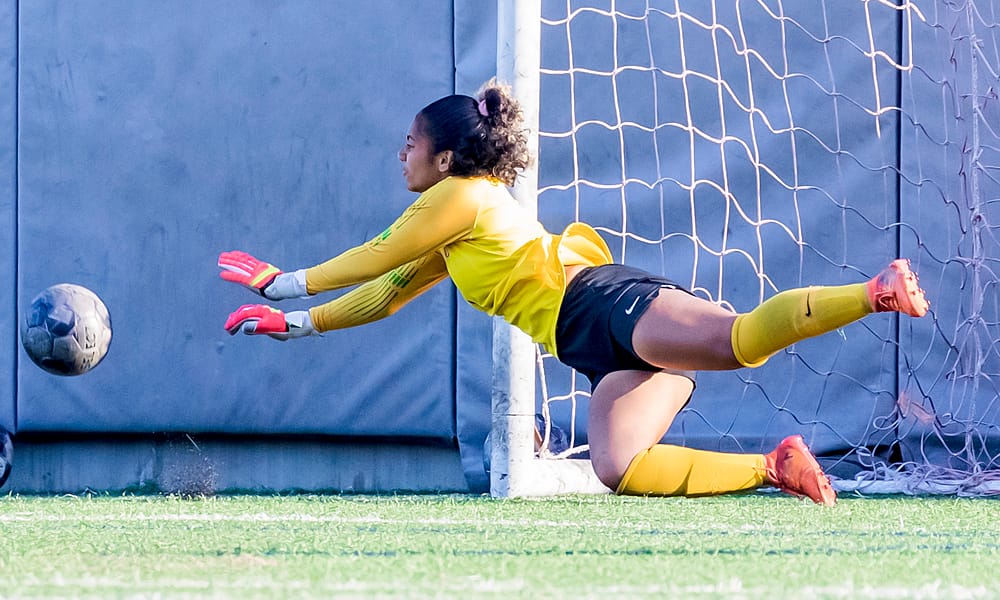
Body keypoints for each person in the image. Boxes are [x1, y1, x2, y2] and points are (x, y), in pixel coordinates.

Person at [218, 80, 929, 506]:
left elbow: (376, 256)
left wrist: (283, 283)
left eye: (409, 143)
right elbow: (386, 293)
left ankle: (874, 292)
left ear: (444, 156)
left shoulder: (461, 194)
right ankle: (774, 466)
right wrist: (298, 323)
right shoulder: (454, 232)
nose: (399, 154)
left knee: (738, 343)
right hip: (582, 341)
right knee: (620, 469)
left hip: (597, 300)